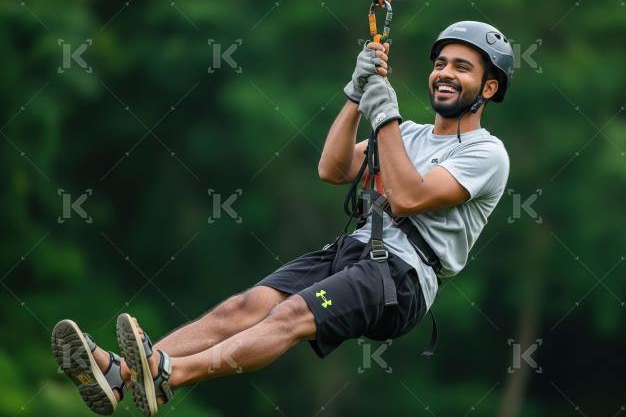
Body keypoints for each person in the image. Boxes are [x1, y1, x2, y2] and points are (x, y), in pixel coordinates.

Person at [51, 21, 514, 415]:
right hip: (355, 251)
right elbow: (332, 169)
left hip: (401, 278)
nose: (444, 74)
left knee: (291, 314)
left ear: (488, 88)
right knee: (244, 306)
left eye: (461, 68)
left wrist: (386, 115)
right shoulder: (407, 133)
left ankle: (167, 373)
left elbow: (410, 197)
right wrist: (356, 96)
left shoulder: (486, 153)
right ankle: (120, 374)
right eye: (440, 64)